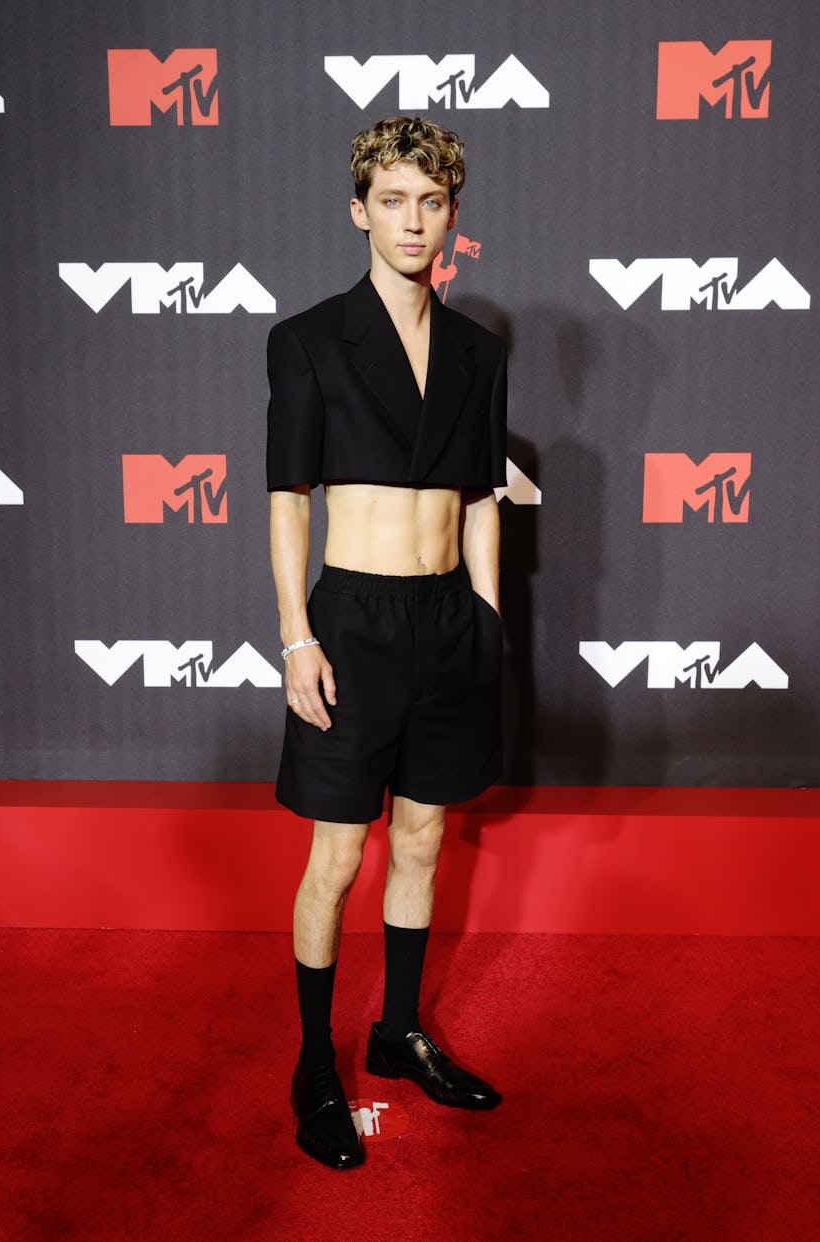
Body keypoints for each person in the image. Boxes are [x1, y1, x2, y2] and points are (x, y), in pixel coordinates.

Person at [266, 116, 507, 1170]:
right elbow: (286, 502)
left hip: (449, 623)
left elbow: (487, 497)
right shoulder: (311, 338)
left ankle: (397, 1030)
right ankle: (315, 1059)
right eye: (395, 201)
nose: (415, 221)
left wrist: (489, 614)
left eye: (433, 202)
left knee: (421, 841)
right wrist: (295, 636)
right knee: (339, 855)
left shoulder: (478, 352)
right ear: (361, 211)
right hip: (353, 626)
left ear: (452, 215)